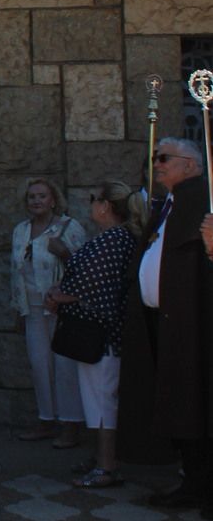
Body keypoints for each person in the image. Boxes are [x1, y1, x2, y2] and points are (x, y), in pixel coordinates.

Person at [118, 137, 213, 514]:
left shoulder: (201, 199)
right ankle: (192, 479)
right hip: (164, 321)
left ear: (191, 165)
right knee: (178, 406)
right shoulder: (171, 203)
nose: (156, 164)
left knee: (195, 406)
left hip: (194, 327)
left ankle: (202, 486)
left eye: (164, 159)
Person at [44, 181, 145, 489]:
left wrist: (58, 296)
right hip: (101, 331)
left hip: (100, 334)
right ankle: (102, 459)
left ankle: (106, 466)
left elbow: (88, 282)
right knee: (98, 400)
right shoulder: (117, 238)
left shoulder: (113, 239)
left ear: (105, 206)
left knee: (101, 402)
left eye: (93, 199)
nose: (90, 204)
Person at [10, 177, 87, 446]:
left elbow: (83, 268)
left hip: (61, 309)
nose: (36, 201)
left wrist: (64, 253)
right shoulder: (21, 230)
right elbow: (16, 272)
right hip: (31, 308)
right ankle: (46, 420)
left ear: (53, 199)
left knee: (65, 367)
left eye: (42, 196)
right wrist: (18, 310)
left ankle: (70, 425)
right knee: (39, 365)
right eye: (32, 197)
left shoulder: (69, 228)